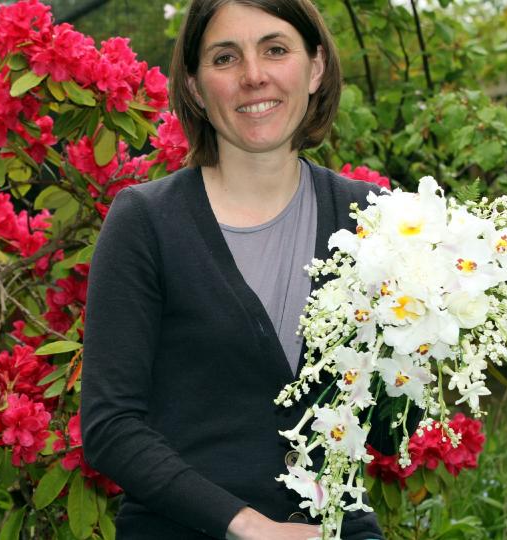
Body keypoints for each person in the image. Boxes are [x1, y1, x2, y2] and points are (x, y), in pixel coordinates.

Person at [79, 1, 386, 538]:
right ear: (196, 88)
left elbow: (386, 415)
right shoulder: (146, 222)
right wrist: (246, 526)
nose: (253, 76)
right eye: (225, 58)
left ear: (314, 68)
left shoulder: (373, 220)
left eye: (275, 49)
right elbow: (111, 427)